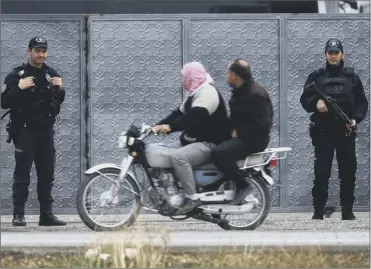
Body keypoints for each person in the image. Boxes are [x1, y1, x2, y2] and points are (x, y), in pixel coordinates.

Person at [148, 61, 230, 214]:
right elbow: (177, 114)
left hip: (210, 143)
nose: (183, 79)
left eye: (185, 76)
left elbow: (192, 118)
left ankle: (191, 197)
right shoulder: (195, 93)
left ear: (193, 76)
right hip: (195, 140)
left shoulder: (208, 93)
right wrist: (155, 127)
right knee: (163, 152)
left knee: (179, 157)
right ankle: (172, 192)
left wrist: (170, 127)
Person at [300, 38, 368, 220]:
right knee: (321, 172)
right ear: (325, 55)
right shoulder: (316, 77)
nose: (333, 55)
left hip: (345, 131)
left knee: (348, 172)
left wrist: (355, 119)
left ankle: (347, 211)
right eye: (330, 52)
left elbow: (362, 103)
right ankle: (319, 211)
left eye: (336, 52)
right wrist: (316, 102)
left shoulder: (352, 77)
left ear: (342, 54)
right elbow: (304, 99)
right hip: (323, 132)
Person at [1, 36, 66, 226]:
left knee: (46, 174)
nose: (41, 55)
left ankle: (46, 215)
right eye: (37, 51)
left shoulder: (51, 74)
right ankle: (18, 214)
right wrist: (19, 88)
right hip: (24, 131)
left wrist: (60, 89)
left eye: (44, 51)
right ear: (28, 52)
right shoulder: (16, 75)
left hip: (46, 132)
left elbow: (57, 101)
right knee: (22, 174)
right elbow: (4, 102)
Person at [210, 58, 274, 206]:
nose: (226, 77)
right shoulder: (240, 92)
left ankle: (242, 185)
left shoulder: (255, 94)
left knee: (219, 153)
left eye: (227, 73)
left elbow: (264, 123)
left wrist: (240, 132)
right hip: (243, 137)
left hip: (254, 141)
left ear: (234, 75)